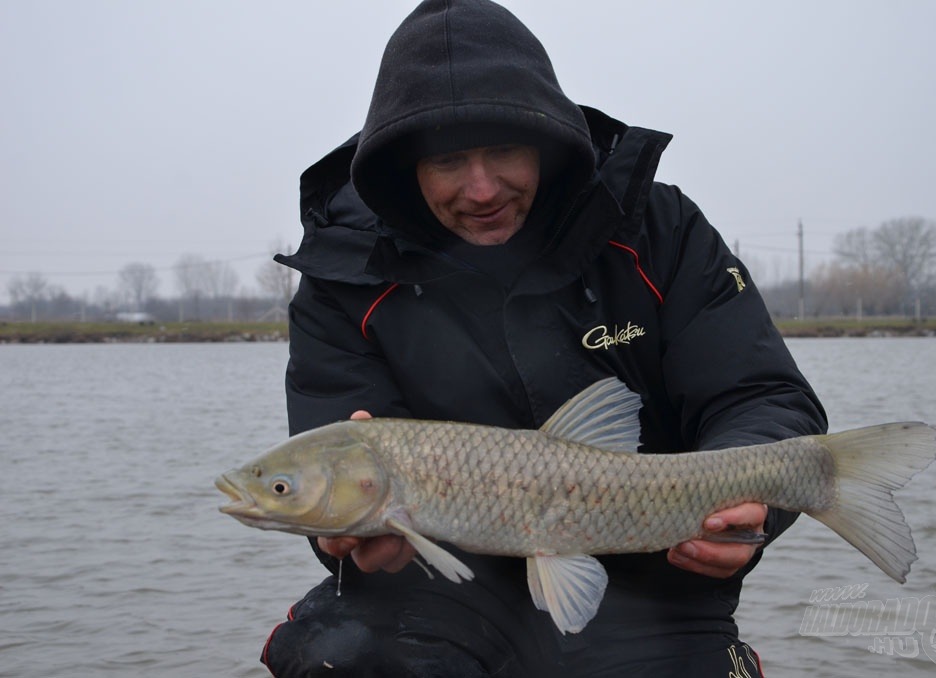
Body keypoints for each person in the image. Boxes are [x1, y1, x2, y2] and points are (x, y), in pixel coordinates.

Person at [265, 0, 826, 676]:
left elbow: (759, 394)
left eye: (503, 150)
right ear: (402, 165)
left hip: (657, 579)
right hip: (441, 591)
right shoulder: (341, 275)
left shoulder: (658, 228)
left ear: (547, 138)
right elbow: (326, 477)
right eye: (448, 160)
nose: (480, 188)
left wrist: (752, 502)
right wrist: (342, 541)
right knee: (335, 657)